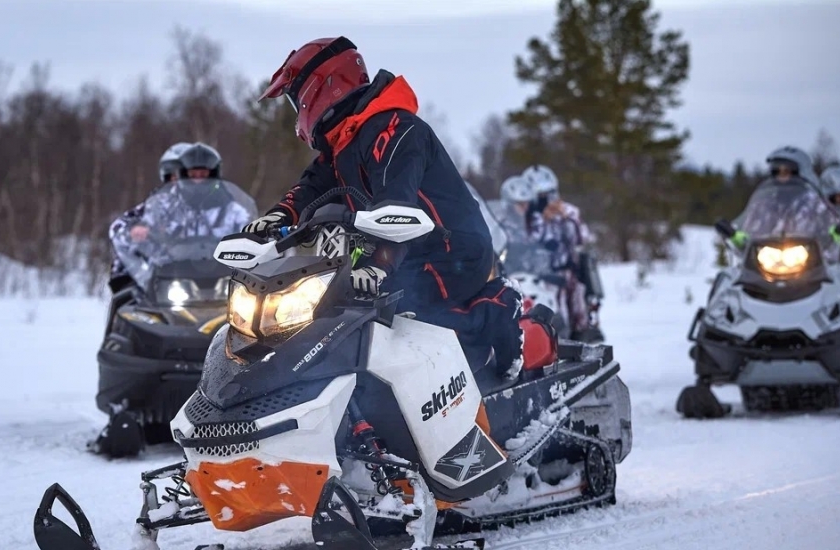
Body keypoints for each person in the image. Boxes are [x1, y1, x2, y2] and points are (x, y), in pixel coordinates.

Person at [243, 36, 535, 378]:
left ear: (323, 89)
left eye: (298, 104)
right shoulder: (343, 144)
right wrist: (279, 216)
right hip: (406, 254)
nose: (299, 118)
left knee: (399, 317)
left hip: (450, 251)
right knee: (333, 314)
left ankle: (497, 308)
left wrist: (380, 265)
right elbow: (311, 187)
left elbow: (395, 203)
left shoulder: (395, 130)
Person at [107, 142, 252, 292]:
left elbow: (250, 237)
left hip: (222, 282)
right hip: (170, 281)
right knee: (128, 298)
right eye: (192, 175)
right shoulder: (162, 206)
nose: (198, 181)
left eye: (203, 175)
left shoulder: (232, 210)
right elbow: (120, 229)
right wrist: (134, 231)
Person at [521, 164, 598, 339]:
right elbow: (527, 242)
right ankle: (554, 339)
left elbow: (582, 238)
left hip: (567, 269)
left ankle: (580, 336)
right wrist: (542, 220)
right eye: (540, 196)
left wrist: (565, 219)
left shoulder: (569, 211)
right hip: (539, 274)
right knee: (551, 310)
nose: (546, 199)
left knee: (577, 305)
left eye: (548, 194)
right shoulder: (530, 216)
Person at [497, 174, 534, 245]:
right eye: (520, 203)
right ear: (509, 204)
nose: (525, 207)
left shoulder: (535, 220)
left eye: (527, 203)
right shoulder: (501, 222)